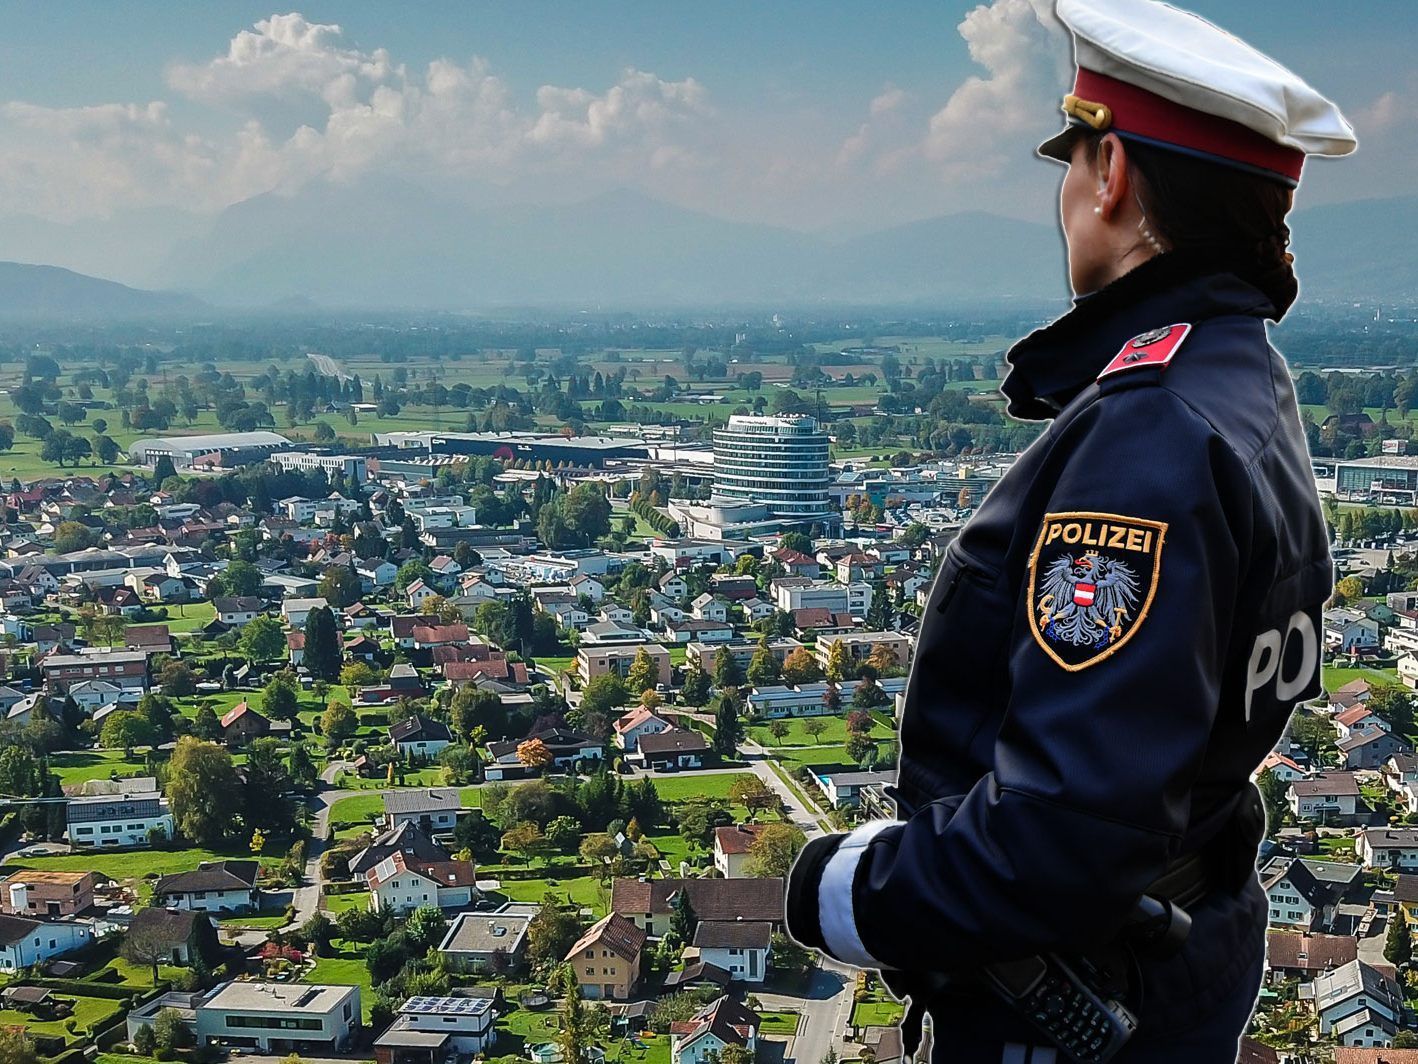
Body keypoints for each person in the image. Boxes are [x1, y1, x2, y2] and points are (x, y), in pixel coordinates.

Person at [783, 0, 1357, 1060]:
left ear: (1112, 177)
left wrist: (845, 887)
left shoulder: (1145, 433)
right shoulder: (1236, 380)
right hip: (1178, 944)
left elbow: (1061, 830)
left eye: (1072, 159)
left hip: (1078, 991)